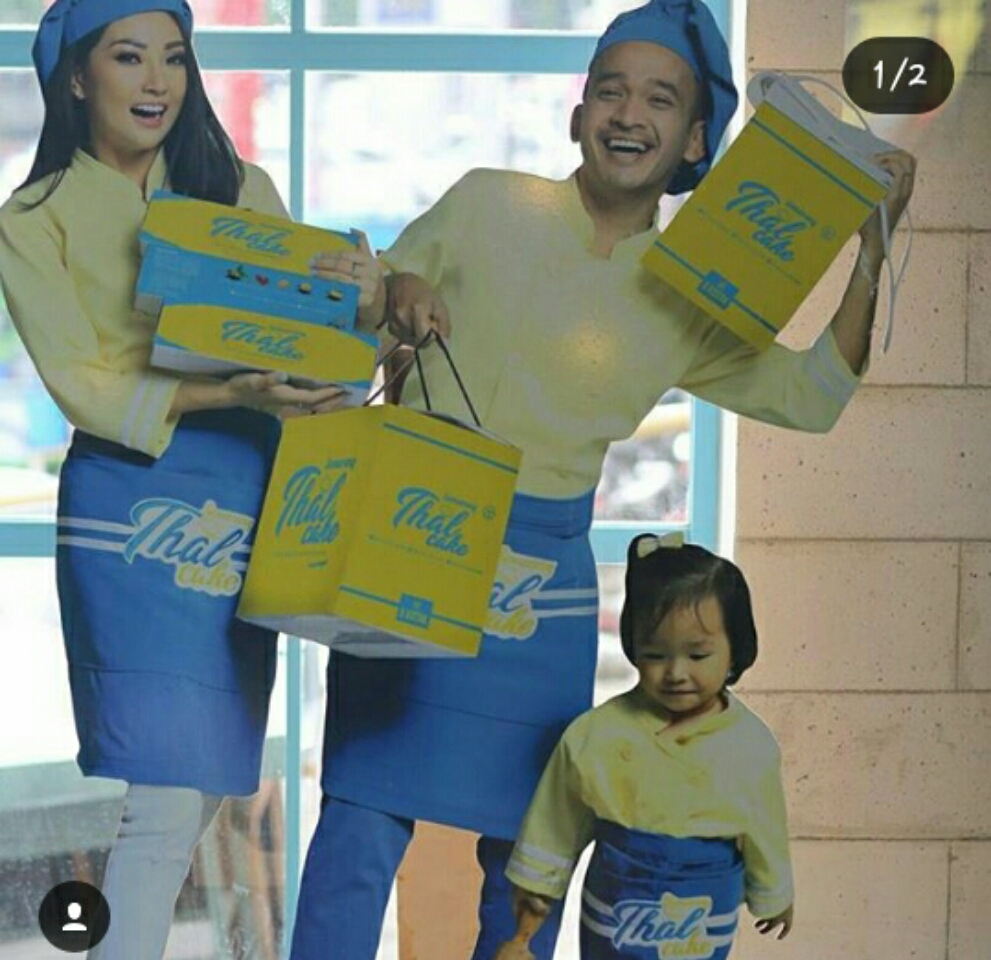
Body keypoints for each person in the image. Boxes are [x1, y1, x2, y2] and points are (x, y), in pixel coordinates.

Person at [289, 2, 916, 958]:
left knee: (527, 860)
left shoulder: (690, 289)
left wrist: (870, 246)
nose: (629, 114)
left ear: (695, 139)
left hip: (540, 588)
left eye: (660, 99)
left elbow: (811, 394)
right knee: (357, 826)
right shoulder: (483, 201)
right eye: (610, 92)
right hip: (409, 541)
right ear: (576, 114)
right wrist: (394, 290)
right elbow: (366, 312)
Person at [0, 2, 414, 957]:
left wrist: (367, 297)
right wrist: (226, 388)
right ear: (75, 78)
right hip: (130, 510)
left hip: (247, 495)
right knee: (162, 793)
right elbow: (82, 384)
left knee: (201, 789)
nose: (157, 81)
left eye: (175, 59)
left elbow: (312, 326)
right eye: (128, 57)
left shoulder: (239, 190)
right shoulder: (32, 219)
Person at [501, 534, 792, 959]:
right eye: (656, 654)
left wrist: (773, 894)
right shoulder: (597, 734)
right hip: (618, 897)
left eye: (697, 655)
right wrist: (534, 897)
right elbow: (556, 821)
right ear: (633, 647)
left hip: (703, 907)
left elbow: (765, 826)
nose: (675, 672)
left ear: (735, 650)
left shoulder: (751, 745)